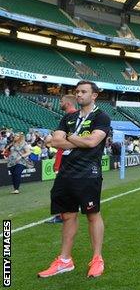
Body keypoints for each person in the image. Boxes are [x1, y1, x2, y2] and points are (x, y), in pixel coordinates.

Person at [38, 80, 110, 278]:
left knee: (92, 214)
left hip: (88, 173)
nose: (79, 95)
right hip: (66, 173)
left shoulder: (101, 117)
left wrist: (68, 139)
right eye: (77, 92)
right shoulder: (68, 117)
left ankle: (97, 259)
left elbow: (93, 141)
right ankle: (64, 260)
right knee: (67, 215)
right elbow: (54, 141)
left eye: (83, 92)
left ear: (94, 95)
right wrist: (77, 140)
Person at [45, 94, 78, 224]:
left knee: (60, 191)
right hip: (65, 159)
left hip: (68, 161)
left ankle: (61, 215)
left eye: (61, 101)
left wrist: (53, 140)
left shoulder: (72, 117)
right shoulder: (70, 116)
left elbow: (65, 140)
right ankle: (64, 214)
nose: (59, 103)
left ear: (68, 103)